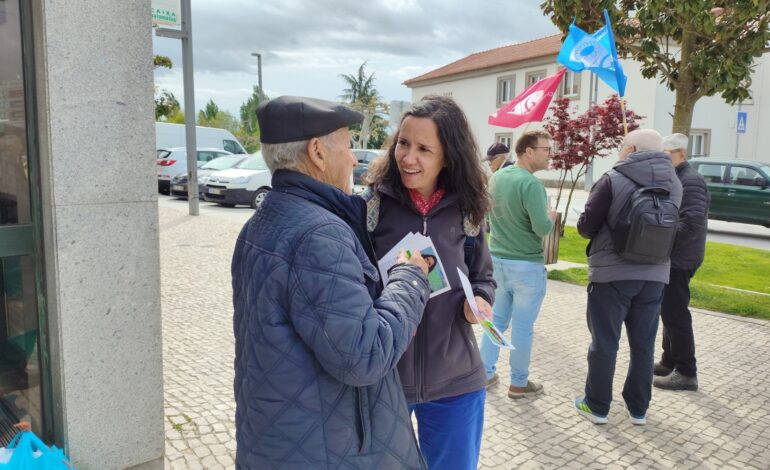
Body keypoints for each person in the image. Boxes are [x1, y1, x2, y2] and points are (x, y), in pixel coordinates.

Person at [232, 96, 432, 469]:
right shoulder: (318, 234)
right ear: (317, 153)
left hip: (282, 438)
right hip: (328, 449)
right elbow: (364, 356)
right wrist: (411, 277)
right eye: (348, 145)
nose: (355, 159)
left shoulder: (262, 221)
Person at [365, 95, 496, 470]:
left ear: (448, 157)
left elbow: (483, 277)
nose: (408, 158)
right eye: (403, 144)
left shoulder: (468, 210)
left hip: (456, 383)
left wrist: (480, 304)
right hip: (384, 382)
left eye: (424, 149)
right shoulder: (371, 206)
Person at [575, 129, 682, 425]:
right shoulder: (674, 182)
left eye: (622, 147)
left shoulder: (613, 179)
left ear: (631, 148)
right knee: (644, 344)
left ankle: (596, 406)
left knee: (605, 343)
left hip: (612, 273)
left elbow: (586, 226)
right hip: (656, 275)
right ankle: (638, 409)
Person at [480, 131, 557, 399]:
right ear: (528, 151)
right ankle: (519, 383)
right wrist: (550, 217)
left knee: (496, 321)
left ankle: (485, 374)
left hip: (497, 260)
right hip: (526, 265)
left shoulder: (497, 177)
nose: (550, 154)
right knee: (523, 328)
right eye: (546, 149)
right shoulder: (532, 185)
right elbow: (541, 227)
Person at [653, 133, 709, 391]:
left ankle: (687, 372)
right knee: (668, 310)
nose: (664, 161)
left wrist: (663, 239)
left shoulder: (691, 181)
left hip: (680, 258)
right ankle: (669, 361)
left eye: (667, 156)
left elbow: (692, 224)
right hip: (674, 255)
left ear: (681, 155)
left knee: (676, 314)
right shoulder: (677, 176)